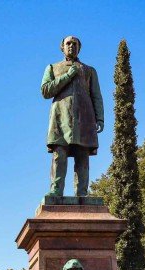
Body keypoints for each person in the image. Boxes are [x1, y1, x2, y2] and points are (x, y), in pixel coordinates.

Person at [41, 36, 104, 197]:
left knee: (82, 156)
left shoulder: (89, 70)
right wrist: (68, 76)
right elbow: (46, 91)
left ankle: (82, 193)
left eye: (75, 44)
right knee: (59, 154)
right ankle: (56, 191)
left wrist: (100, 117)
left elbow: (96, 95)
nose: (71, 46)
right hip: (60, 119)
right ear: (62, 47)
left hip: (84, 118)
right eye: (68, 43)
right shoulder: (53, 67)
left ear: (79, 48)